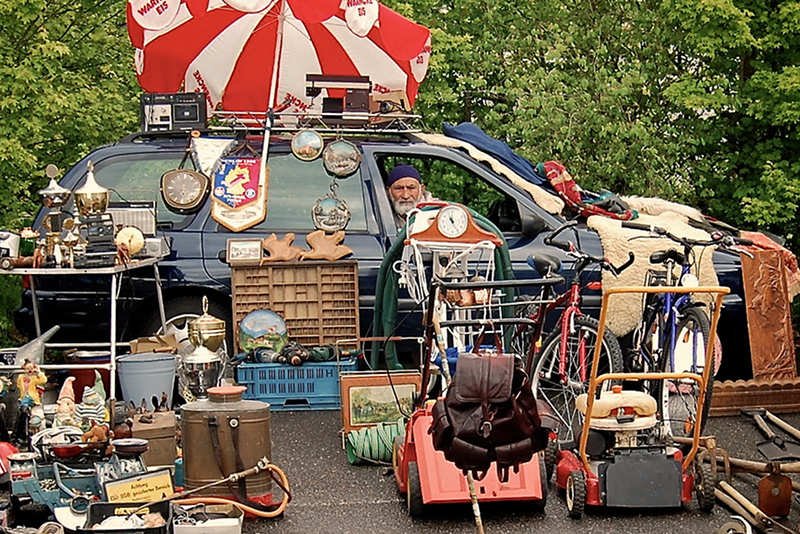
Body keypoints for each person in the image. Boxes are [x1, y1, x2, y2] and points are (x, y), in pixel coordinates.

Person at [385, 164, 434, 229]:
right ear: (388, 191)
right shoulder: (382, 212)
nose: (405, 196)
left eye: (411, 188)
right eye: (399, 188)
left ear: (421, 189)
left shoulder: (436, 212)